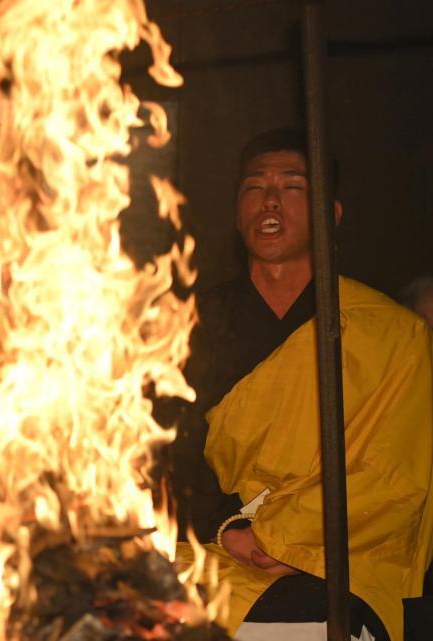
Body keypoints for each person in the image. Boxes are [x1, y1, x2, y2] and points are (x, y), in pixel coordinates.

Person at [171, 129, 433, 641]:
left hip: (340, 561)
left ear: (330, 214)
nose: (270, 199)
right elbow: (167, 449)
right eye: (254, 187)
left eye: (292, 186)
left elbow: (394, 478)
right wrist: (230, 530)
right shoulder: (188, 324)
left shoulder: (391, 332)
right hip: (216, 548)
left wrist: (282, 540)